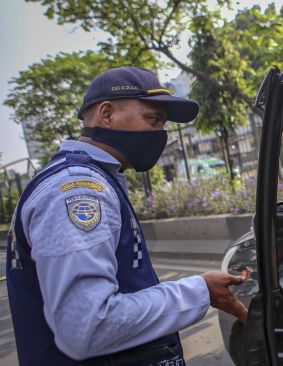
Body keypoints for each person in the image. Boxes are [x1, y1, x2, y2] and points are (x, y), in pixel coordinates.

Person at [6, 67, 248, 366]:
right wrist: (199, 291)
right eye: (153, 120)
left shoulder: (89, 180)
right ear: (107, 114)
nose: (162, 134)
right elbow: (88, 327)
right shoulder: (78, 190)